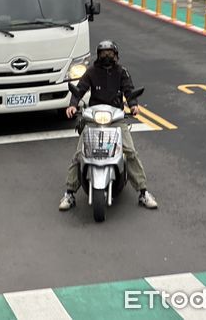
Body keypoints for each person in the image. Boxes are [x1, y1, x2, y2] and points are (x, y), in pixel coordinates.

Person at [59, 40, 158, 211]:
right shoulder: (91, 72)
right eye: (103, 53)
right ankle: (69, 193)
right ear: (98, 55)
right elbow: (80, 89)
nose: (106, 56)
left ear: (116, 55)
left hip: (116, 118)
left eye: (109, 53)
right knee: (79, 154)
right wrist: (73, 104)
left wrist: (133, 105)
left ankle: (143, 191)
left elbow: (129, 90)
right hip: (93, 118)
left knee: (130, 151)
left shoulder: (122, 72)